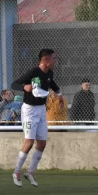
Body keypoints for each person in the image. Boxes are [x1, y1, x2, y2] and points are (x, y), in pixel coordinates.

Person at [11, 48, 60, 187]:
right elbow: (14, 84)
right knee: (29, 142)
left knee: (42, 143)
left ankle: (30, 172)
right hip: (29, 111)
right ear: (45, 60)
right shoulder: (33, 72)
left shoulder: (49, 73)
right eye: (53, 58)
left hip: (41, 110)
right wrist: (24, 87)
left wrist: (59, 94)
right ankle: (16, 171)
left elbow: (52, 83)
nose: (55, 61)